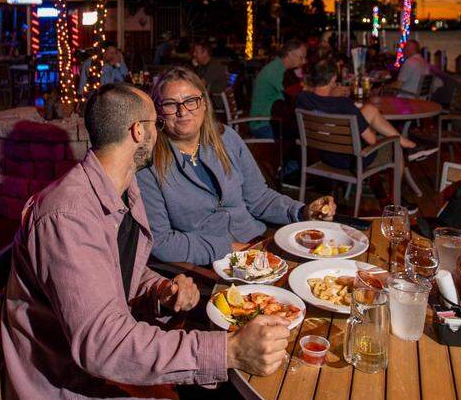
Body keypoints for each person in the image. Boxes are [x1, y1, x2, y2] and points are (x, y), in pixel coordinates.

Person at [1, 83, 291, 400]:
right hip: (68, 390)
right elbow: (104, 346)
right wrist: (229, 351)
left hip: (102, 368)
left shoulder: (122, 189)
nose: (162, 130)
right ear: (139, 131)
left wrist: (159, 290)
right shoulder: (68, 216)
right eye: (157, 122)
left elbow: (111, 272)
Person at [137, 67, 335, 266]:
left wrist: (302, 211)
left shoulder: (226, 138)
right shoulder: (148, 165)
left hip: (258, 244)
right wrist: (229, 250)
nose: (182, 111)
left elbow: (259, 198)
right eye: (171, 104)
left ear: (204, 103)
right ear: (159, 111)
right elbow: (161, 242)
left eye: (191, 101)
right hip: (210, 265)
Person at [295, 62, 433, 168]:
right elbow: (372, 140)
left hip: (324, 153)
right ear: (333, 78)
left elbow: (316, 96)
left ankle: (408, 144)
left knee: (369, 109)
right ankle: (397, 200)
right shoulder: (344, 105)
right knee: (395, 147)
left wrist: (330, 93)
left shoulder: (302, 99)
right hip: (352, 159)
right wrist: (373, 130)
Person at [248, 38, 307, 138]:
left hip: (270, 119)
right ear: (290, 54)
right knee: (306, 135)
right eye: (301, 57)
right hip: (263, 124)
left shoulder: (280, 67)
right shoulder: (276, 71)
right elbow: (295, 95)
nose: (304, 61)